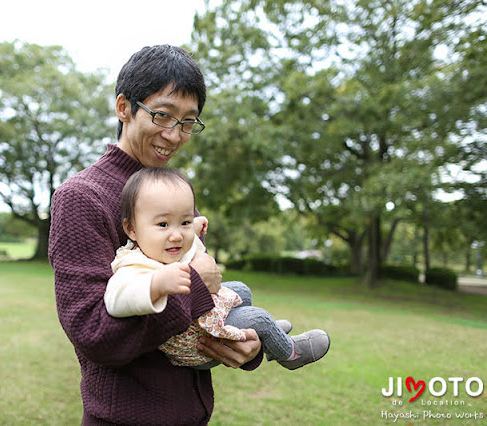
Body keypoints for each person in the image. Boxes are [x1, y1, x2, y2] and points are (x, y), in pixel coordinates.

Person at [49, 44, 263, 425]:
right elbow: (94, 333)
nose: (175, 134)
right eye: (163, 115)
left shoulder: (174, 195)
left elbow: (200, 311)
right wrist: (196, 286)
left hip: (192, 414)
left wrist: (242, 343)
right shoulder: (81, 198)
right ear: (124, 108)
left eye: (187, 122)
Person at [104, 167, 330, 370]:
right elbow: (115, 299)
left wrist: (193, 227)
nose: (176, 235)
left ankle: (268, 334)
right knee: (259, 318)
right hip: (193, 344)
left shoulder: (163, 246)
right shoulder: (133, 263)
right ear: (131, 229)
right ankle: (290, 352)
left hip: (203, 321)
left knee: (242, 289)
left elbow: (189, 247)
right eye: (163, 224)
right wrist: (156, 284)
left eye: (183, 221)